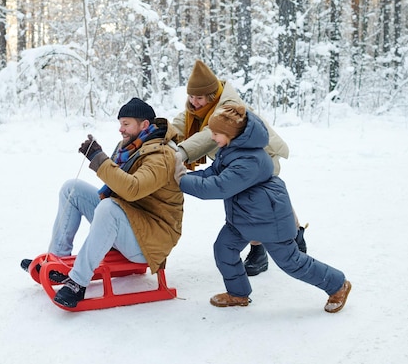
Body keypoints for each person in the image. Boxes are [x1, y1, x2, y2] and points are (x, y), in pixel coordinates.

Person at [174, 103, 351, 312]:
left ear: (230, 134)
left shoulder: (250, 160)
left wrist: (181, 180)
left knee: (292, 262)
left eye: (215, 133)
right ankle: (237, 294)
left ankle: (337, 284)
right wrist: (182, 177)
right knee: (224, 249)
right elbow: (213, 173)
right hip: (242, 217)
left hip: (268, 220)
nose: (212, 138)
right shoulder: (230, 150)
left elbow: (219, 187)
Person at [21, 98, 184, 308]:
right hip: (130, 222)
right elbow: (116, 185)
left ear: (144, 125)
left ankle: (77, 283)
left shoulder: (161, 156)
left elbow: (132, 189)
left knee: (109, 208)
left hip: (151, 240)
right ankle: (57, 263)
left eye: (126, 124)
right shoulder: (130, 147)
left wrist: (99, 159)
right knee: (72, 188)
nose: (120, 129)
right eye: (120, 123)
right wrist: (100, 159)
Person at [172, 59, 307, 276]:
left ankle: (258, 251)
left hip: (261, 157)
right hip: (236, 160)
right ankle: (295, 232)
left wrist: (181, 152)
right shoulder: (196, 110)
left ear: (212, 96)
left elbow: (208, 135)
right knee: (270, 202)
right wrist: (158, 134)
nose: (194, 102)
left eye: (199, 98)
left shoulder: (227, 106)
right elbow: (179, 124)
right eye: (191, 96)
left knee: (252, 204)